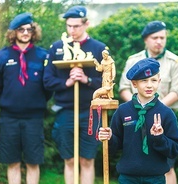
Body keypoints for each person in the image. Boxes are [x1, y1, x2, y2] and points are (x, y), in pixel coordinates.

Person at [43, 5, 106, 184]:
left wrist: (87, 80)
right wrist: (67, 82)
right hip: (65, 111)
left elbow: (107, 82)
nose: (72, 30)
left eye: (76, 26)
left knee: (87, 159)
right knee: (69, 160)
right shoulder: (57, 48)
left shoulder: (99, 48)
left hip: (91, 111)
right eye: (69, 26)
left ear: (86, 24)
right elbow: (47, 80)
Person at [119, 20, 178, 184]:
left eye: (162, 37)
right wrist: (136, 107)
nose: (159, 41)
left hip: (162, 118)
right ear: (146, 39)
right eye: (155, 37)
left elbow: (177, 91)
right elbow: (124, 88)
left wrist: (155, 107)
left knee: (167, 166)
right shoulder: (133, 60)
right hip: (135, 119)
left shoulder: (174, 61)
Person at [99, 58, 178, 184]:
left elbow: (176, 150)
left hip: (155, 178)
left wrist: (159, 138)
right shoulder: (123, 111)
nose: (149, 85)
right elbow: (113, 148)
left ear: (159, 81)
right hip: (128, 177)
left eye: (154, 80)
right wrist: (109, 138)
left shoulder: (166, 113)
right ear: (134, 84)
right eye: (144, 81)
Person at [0, 12, 52, 184]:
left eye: (29, 29)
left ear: (34, 32)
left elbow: (48, 88)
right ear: (13, 33)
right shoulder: (0, 57)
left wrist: (35, 103)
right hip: (9, 117)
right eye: (21, 29)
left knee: (33, 162)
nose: (25, 33)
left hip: (34, 118)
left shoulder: (44, 56)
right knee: (13, 162)